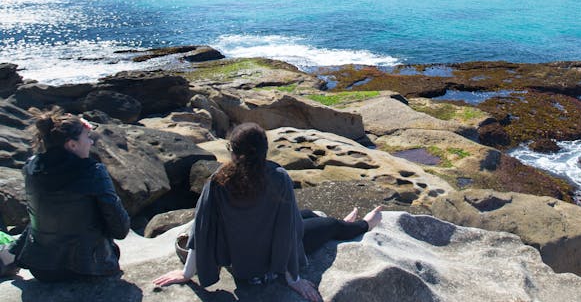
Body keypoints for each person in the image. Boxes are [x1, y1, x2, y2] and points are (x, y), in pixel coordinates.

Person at [153, 122, 382, 301]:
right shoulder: (278, 178)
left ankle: (339, 221)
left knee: (309, 214)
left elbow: (202, 229)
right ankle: (365, 224)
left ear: (233, 152)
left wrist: (187, 273)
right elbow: (287, 231)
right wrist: (294, 279)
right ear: (264, 151)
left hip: (237, 261)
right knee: (330, 225)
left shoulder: (216, 181)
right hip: (267, 267)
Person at [9, 111, 130, 282]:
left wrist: (77, 127)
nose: (91, 141)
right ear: (72, 145)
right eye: (87, 137)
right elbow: (121, 229)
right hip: (90, 268)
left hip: (42, 270)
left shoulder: (31, 167)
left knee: (47, 215)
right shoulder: (93, 171)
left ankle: (8, 258)